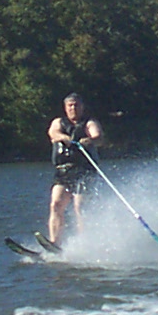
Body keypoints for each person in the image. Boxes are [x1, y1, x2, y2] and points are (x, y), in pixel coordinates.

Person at [45, 93, 102, 247]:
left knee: (80, 207)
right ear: (65, 108)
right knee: (56, 204)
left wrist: (89, 140)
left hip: (84, 171)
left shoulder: (89, 123)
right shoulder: (58, 123)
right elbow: (53, 133)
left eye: (76, 105)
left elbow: (98, 136)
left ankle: (84, 243)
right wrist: (65, 138)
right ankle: (55, 242)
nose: (73, 108)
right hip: (63, 171)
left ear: (82, 107)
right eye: (70, 105)